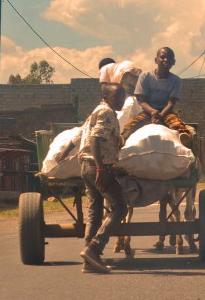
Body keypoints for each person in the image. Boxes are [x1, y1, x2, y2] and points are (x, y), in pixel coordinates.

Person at [77, 83, 128, 274]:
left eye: (123, 97)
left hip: (86, 166)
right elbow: (95, 139)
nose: (121, 100)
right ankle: (94, 248)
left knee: (95, 213)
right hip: (97, 167)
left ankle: (90, 261)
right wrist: (100, 168)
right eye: (117, 97)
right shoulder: (107, 113)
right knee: (120, 207)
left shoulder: (98, 111)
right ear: (106, 97)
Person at [122, 47, 193, 148]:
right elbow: (142, 102)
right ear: (156, 60)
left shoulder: (176, 80)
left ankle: (185, 140)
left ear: (174, 62)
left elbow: (171, 103)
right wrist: (152, 112)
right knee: (131, 124)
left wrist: (161, 115)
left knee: (178, 125)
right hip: (148, 111)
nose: (165, 60)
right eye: (162, 57)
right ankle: (121, 140)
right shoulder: (145, 76)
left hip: (166, 112)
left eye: (169, 58)